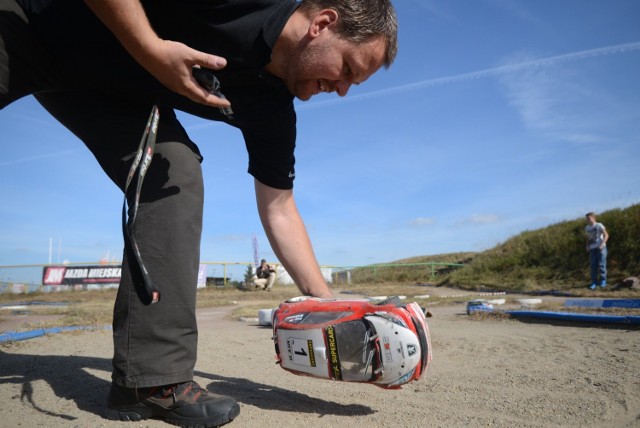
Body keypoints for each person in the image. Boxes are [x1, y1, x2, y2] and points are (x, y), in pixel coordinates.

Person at [0, 0, 398, 426]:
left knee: (174, 173)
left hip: (105, 94)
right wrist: (150, 47)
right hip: (36, 22)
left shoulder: (272, 109)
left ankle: (149, 380)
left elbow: (279, 207)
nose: (342, 90)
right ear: (323, 23)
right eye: (350, 70)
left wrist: (329, 305)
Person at [585, 212, 609, 290]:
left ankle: (603, 281)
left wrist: (602, 244)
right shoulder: (587, 227)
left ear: (593, 218)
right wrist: (587, 245)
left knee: (602, 264)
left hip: (600, 247)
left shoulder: (599, 225)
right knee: (593, 266)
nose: (588, 220)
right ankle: (594, 282)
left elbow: (606, 235)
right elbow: (588, 238)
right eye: (587, 218)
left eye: (589, 218)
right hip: (592, 248)